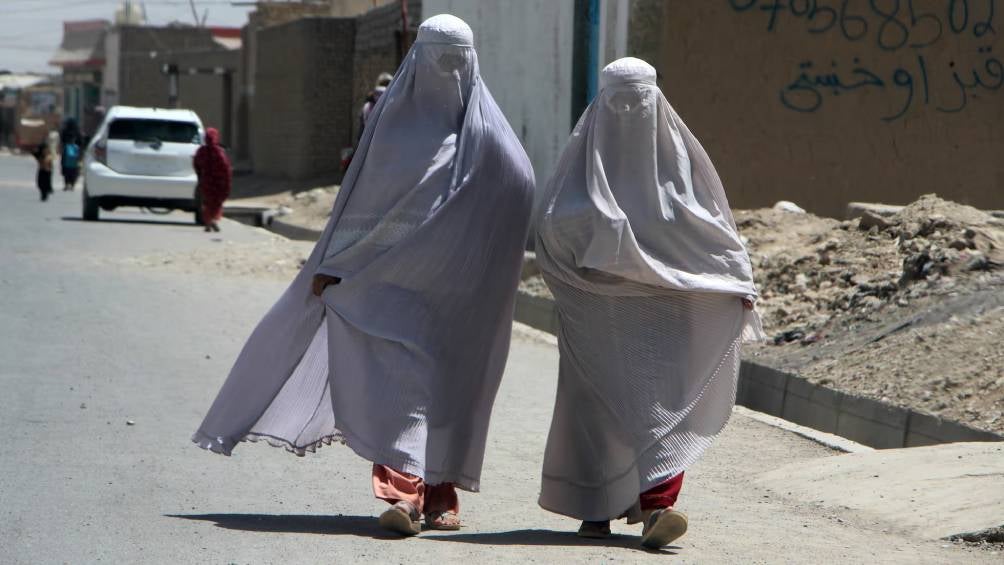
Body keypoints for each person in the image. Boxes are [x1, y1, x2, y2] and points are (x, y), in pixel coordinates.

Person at [192, 14, 534, 537]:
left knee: (448, 392)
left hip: (458, 299)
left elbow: (514, 200)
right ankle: (403, 491)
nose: (447, 70)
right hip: (389, 290)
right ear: (417, 60)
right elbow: (361, 207)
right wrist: (335, 266)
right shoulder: (391, 133)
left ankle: (439, 493)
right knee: (403, 388)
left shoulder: (491, 140)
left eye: (456, 59)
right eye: (439, 57)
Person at [533, 57, 764, 550]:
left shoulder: (682, 174)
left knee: (659, 408)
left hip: (666, 317)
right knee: (595, 410)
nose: (630, 110)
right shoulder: (581, 173)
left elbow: (714, 237)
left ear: (655, 101)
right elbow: (551, 234)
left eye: (638, 99)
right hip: (596, 315)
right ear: (602, 103)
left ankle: (658, 507)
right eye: (620, 99)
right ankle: (596, 509)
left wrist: (736, 282)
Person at [192, 128, 232, 232]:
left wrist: (200, 175)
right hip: (218, 182)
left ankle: (209, 221)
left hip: (207, 181)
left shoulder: (201, 151)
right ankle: (212, 220)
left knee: (207, 202)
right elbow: (225, 167)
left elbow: (196, 164)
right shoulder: (219, 152)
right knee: (216, 202)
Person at [59, 118, 83, 191]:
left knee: (66, 170)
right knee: (74, 170)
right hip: (75, 155)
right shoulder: (77, 132)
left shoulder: (65, 131)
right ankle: (72, 184)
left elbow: (62, 141)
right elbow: (81, 142)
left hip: (66, 154)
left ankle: (66, 184)